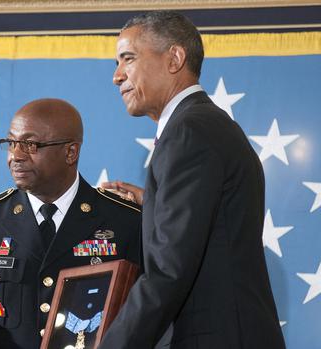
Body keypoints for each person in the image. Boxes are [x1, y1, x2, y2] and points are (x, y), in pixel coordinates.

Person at [99, 11, 285, 349]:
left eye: (128, 58)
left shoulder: (188, 132)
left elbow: (169, 271)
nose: (116, 76)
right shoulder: (204, 124)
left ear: (174, 58)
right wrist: (154, 203)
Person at [0, 98, 143, 348]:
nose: (15, 156)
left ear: (71, 152)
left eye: (30, 145)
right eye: (11, 143)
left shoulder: (125, 220)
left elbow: (142, 315)